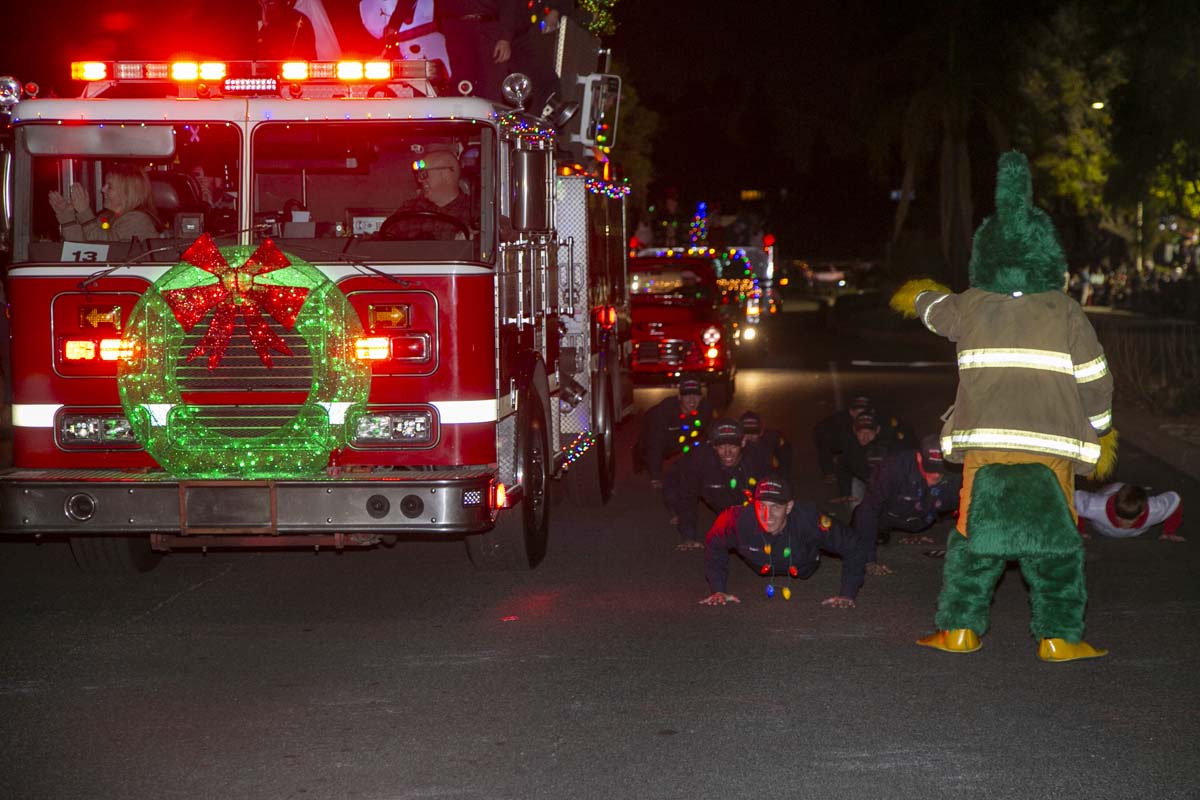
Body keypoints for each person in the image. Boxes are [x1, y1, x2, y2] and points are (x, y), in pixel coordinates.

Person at [894, 150, 1115, 662]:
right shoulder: (1066, 312)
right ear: (1051, 260)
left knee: (973, 536)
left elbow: (932, 309)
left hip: (985, 446)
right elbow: (1097, 381)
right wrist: (1100, 430)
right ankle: (1060, 637)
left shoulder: (970, 304)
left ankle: (959, 631)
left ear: (984, 255)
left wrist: (918, 296)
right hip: (1051, 450)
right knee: (1055, 542)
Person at [699, 474, 868, 608]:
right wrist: (718, 589)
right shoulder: (735, 518)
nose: (767, 515)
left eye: (775, 507)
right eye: (762, 506)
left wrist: (847, 593)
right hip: (760, 564)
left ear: (789, 507)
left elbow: (853, 545)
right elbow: (714, 544)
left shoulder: (809, 519)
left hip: (803, 567)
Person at [663, 418, 772, 551]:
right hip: (681, 478)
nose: (727, 453)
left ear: (743, 442)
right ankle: (675, 512)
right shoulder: (699, 458)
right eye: (721, 446)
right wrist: (688, 537)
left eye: (733, 446)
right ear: (713, 445)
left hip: (734, 487)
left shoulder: (758, 456)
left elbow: (772, 496)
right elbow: (687, 497)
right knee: (676, 496)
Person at [853, 434, 963, 561]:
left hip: (927, 517)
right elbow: (869, 510)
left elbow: (970, 509)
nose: (936, 475)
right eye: (930, 469)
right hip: (890, 515)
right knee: (861, 525)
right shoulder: (891, 469)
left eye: (941, 470)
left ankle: (913, 530)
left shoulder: (957, 470)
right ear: (919, 457)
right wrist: (868, 559)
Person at [632, 378, 716, 488]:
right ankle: (639, 455)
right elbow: (655, 445)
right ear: (679, 397)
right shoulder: (663, 413)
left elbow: (713, 436)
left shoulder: (706, 409)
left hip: (683, 437)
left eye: (696, 396)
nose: (692, 400)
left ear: (701, 397)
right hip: (655, 436)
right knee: (650, 451)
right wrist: (656, 477)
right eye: (687, 395)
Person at [49, 164, 160, 243]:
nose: (103, 189)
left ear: (128, 192)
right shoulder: (106, 217)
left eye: (109, 187)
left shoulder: (138, 220)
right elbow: (80, 248)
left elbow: (104, 248)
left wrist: (84, 212)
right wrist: (67, 217)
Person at [378, 151, 474, 240]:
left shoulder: (474, 211)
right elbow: (383, 239)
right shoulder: (411, 210)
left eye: (424, 174)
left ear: (446, 175)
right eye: (418, 175)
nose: (420, 180)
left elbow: (484, 251)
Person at [833, 410, 903, 510]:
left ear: (878, 430)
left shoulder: (889, 446)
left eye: (870, 432)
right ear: (854, 430)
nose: (865, 437)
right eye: (861, 432)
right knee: (855, 506)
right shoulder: (849, 444)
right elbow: (843, 468)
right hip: (861, 479)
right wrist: (846, 492)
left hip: (885, 482)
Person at [1075, 483, 1184, 541]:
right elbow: (1074, 499)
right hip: (1109, 492)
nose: (1124, 524)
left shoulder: (1155, 509)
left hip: (1126, 494)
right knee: (1112, 487)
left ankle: (1137, 489)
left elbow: (1174, 499)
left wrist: (1169, 532)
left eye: (1130, 519)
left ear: (1142, 512)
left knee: (1128, 492)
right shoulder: (1096, 506)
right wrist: (1078, 529)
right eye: (1120, 517)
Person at [812, 394, 872, 484]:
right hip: (826, 435)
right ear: (851, 412)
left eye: (865, 413)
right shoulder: (842, 425)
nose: (862, 417)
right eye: (859, 413)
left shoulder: (868, 421)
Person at [739, 410, 792, 476]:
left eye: (754, 431)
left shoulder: (773, 440)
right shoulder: (736, 446)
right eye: (746, 432)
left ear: (761, 431)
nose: (750, 435)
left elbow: (784, 466)